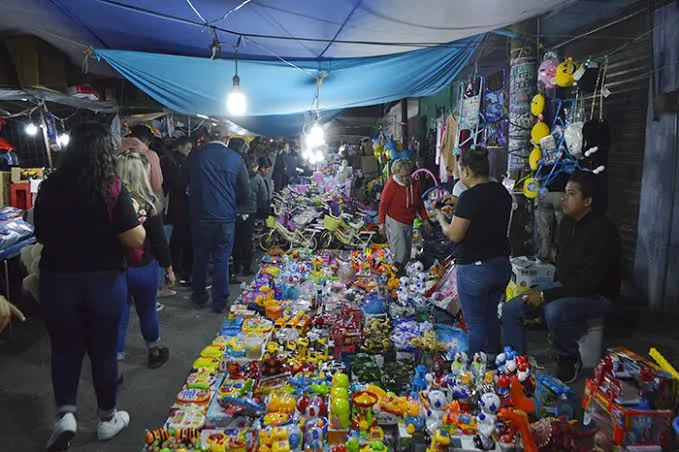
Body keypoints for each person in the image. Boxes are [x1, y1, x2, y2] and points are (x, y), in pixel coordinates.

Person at [35, 122, 145, 449]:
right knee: (103, 351)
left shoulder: (51, 186)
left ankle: (65, 415)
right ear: (104, 152)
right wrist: (137, 222)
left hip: (57, 280)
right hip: (102, 282)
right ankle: (107, 419)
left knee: (65, 349)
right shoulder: (111, 188)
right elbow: (133, 236)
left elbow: (40, 234)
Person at [502, 171, 619, 383]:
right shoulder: (566, 223)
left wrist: (548, 295)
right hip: (567, 286)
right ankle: (517, 368)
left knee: (554, 310)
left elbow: (590, 283)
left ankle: (568, 358)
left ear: (588, 200)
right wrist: (542, 291)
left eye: (571, 194)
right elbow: (562, 271)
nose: (564, 198)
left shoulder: (603, 232)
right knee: (511, 309)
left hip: (598, 295)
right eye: (565, 193)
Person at [435, 148, 512, 358]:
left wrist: (441, 219)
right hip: (501, 266)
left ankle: (469, 371)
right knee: (490, 317)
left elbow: (455, 235)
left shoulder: (469, 197)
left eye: (460, 170)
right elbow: (486, 213)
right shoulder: (501, 192)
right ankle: (492, 364)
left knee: (475, 323)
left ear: (466, 171)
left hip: (476, 270)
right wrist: (459, 204)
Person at [115, 149, 173, 371]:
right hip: (142, 266)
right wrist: (168, 268)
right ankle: (154, 352)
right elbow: (159, 241)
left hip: (116, 269)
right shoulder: (148, 203)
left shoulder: (108, 202)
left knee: (118, 318)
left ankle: (113, 367)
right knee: (147, 310)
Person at [186, 129, 250, 313]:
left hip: (200, 216)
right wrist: (231, 202)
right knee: (222, 259)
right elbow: (245, 191)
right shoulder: (235, 158)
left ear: (207, 139)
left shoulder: (196, 157)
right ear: (226, 139)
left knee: (201, 257)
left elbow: (183, 181)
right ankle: (220, 301)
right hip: (226, 217)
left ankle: (199, 296)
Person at [378, 158, 431, 272]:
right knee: (399, 251)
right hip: (395, 221)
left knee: (407, 250)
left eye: (407, 175)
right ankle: (395, 275)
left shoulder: (415, 184)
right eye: (401, 176)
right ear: (396, 174)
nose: (405, 179)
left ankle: (402, 273)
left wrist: (425, 219)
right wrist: (381, 222)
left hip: (409, 221)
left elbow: (419, 203)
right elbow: (383, 204)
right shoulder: (391, 185)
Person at [162, 137, 193, 286]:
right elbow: (178, 183)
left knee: (173, 237)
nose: (189, 152)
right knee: (178, 237)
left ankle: (173, 265)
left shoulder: (166, 159)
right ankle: (175, 266)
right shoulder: (176, 161)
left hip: (170, 205)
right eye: (188, 148)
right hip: (178, 204)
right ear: (179, 146)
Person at [233, 154, 269, 277]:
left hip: (236, 212)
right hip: (250, 212)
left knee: (236, 241)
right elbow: (263, 197)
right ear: (256, 166)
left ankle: (236, 267)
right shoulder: (258, 179)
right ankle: (247, 268)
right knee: (247, 240)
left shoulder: (236, 176)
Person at [118, 125, 164, 195]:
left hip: (117, 196)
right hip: (141, 197)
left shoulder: (116, 150)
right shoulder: (151, 155)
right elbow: (156, 185)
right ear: (148, 141)